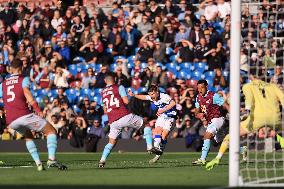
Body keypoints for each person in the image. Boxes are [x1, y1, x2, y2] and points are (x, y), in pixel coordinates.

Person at [206, 69, 284, 170]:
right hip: (275, 117)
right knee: (280, 135)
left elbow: (249, 102)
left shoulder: (248, 86)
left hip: (257, 118)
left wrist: (247, 113)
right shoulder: (273, 86)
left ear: (251, 76)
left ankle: (217, 158)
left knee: (230, 136)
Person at [0, 59, 67, 171]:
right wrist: (38, 109)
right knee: (51, 131)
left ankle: (39, 164)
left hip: (11, 121)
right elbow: (27, 94)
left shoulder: (3, 83)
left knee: (28, 136)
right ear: (21, 67)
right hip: (23, 115)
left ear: (10, 69)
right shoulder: (23, 78)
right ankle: (51, 159)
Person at [98, 72, 149, 168]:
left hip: (112, 121)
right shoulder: (119, 87)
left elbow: (105, 110)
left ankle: (102, 160)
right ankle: (150, 147)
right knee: (146, 124)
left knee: (111, 142)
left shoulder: (103, 92)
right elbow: (126, 101)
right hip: (124, 115)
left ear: (105, 81)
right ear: (114, 79)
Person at [128, 85, 177, 163]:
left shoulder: (164, 96)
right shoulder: (152, 97)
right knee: (157, 130)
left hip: (171, 117)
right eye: (150, 95)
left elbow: (173, 103)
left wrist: (163, 109)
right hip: (162, 116)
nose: (151, 97)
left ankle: (158, 155)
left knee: (164, 136)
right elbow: (144, 97)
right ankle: (156, 148)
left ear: (157, 92)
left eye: (153, 94)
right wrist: (134, 95)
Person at [192, 79, 229, 165]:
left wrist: (234, 115)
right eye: (198, 88)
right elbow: (196, 112)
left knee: (207, 135)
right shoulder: (198, 97)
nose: (200, 90)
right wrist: (199, 114)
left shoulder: (214, 96)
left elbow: (225, 105)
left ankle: (202, 159)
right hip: (210, 121)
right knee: (222, 142)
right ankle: (242, 149)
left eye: (202, 88)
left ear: (206, 87)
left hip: (218, 119)